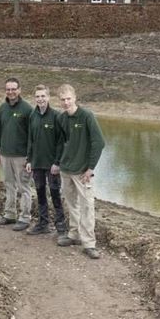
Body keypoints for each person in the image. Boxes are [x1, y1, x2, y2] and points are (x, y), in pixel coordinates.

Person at [55, 84, 106, 260]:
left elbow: (99, 143)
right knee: (71, 204)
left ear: (75, 98)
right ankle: (74, 234)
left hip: (82, 172)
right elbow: (61, 143)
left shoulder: (87, 116)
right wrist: (59, 162)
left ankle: (89, 244)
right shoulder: (61, 119)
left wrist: (90, 168)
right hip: (66, 170)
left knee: (87, 206)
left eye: (68, 99)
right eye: (62, 100)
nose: (66, 102)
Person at [0, 77, 34, 231]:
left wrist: (30, 158)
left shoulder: (27, 109)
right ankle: (10, 215)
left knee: (24, 187)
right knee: (9, 185)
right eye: (8, 89)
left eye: (13, 89)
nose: (11, 92)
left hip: (21, 157)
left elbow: (32, 136)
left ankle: (25, 218)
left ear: (19, 90)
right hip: (5, 155)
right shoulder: (2, 109)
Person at [24, 85, 66, 236]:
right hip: (36, 163)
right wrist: (29, 160)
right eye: (37, 96)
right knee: (40, 193)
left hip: (52, 165)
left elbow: (61, 142)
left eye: (43, 96)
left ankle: (60, 224)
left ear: (48, 97)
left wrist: (57, 162)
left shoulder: (56, 116)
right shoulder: (32, 116)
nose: (40, 99)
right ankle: (43, 223)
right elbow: (30, 139)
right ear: (34, 98)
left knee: (55, 192)